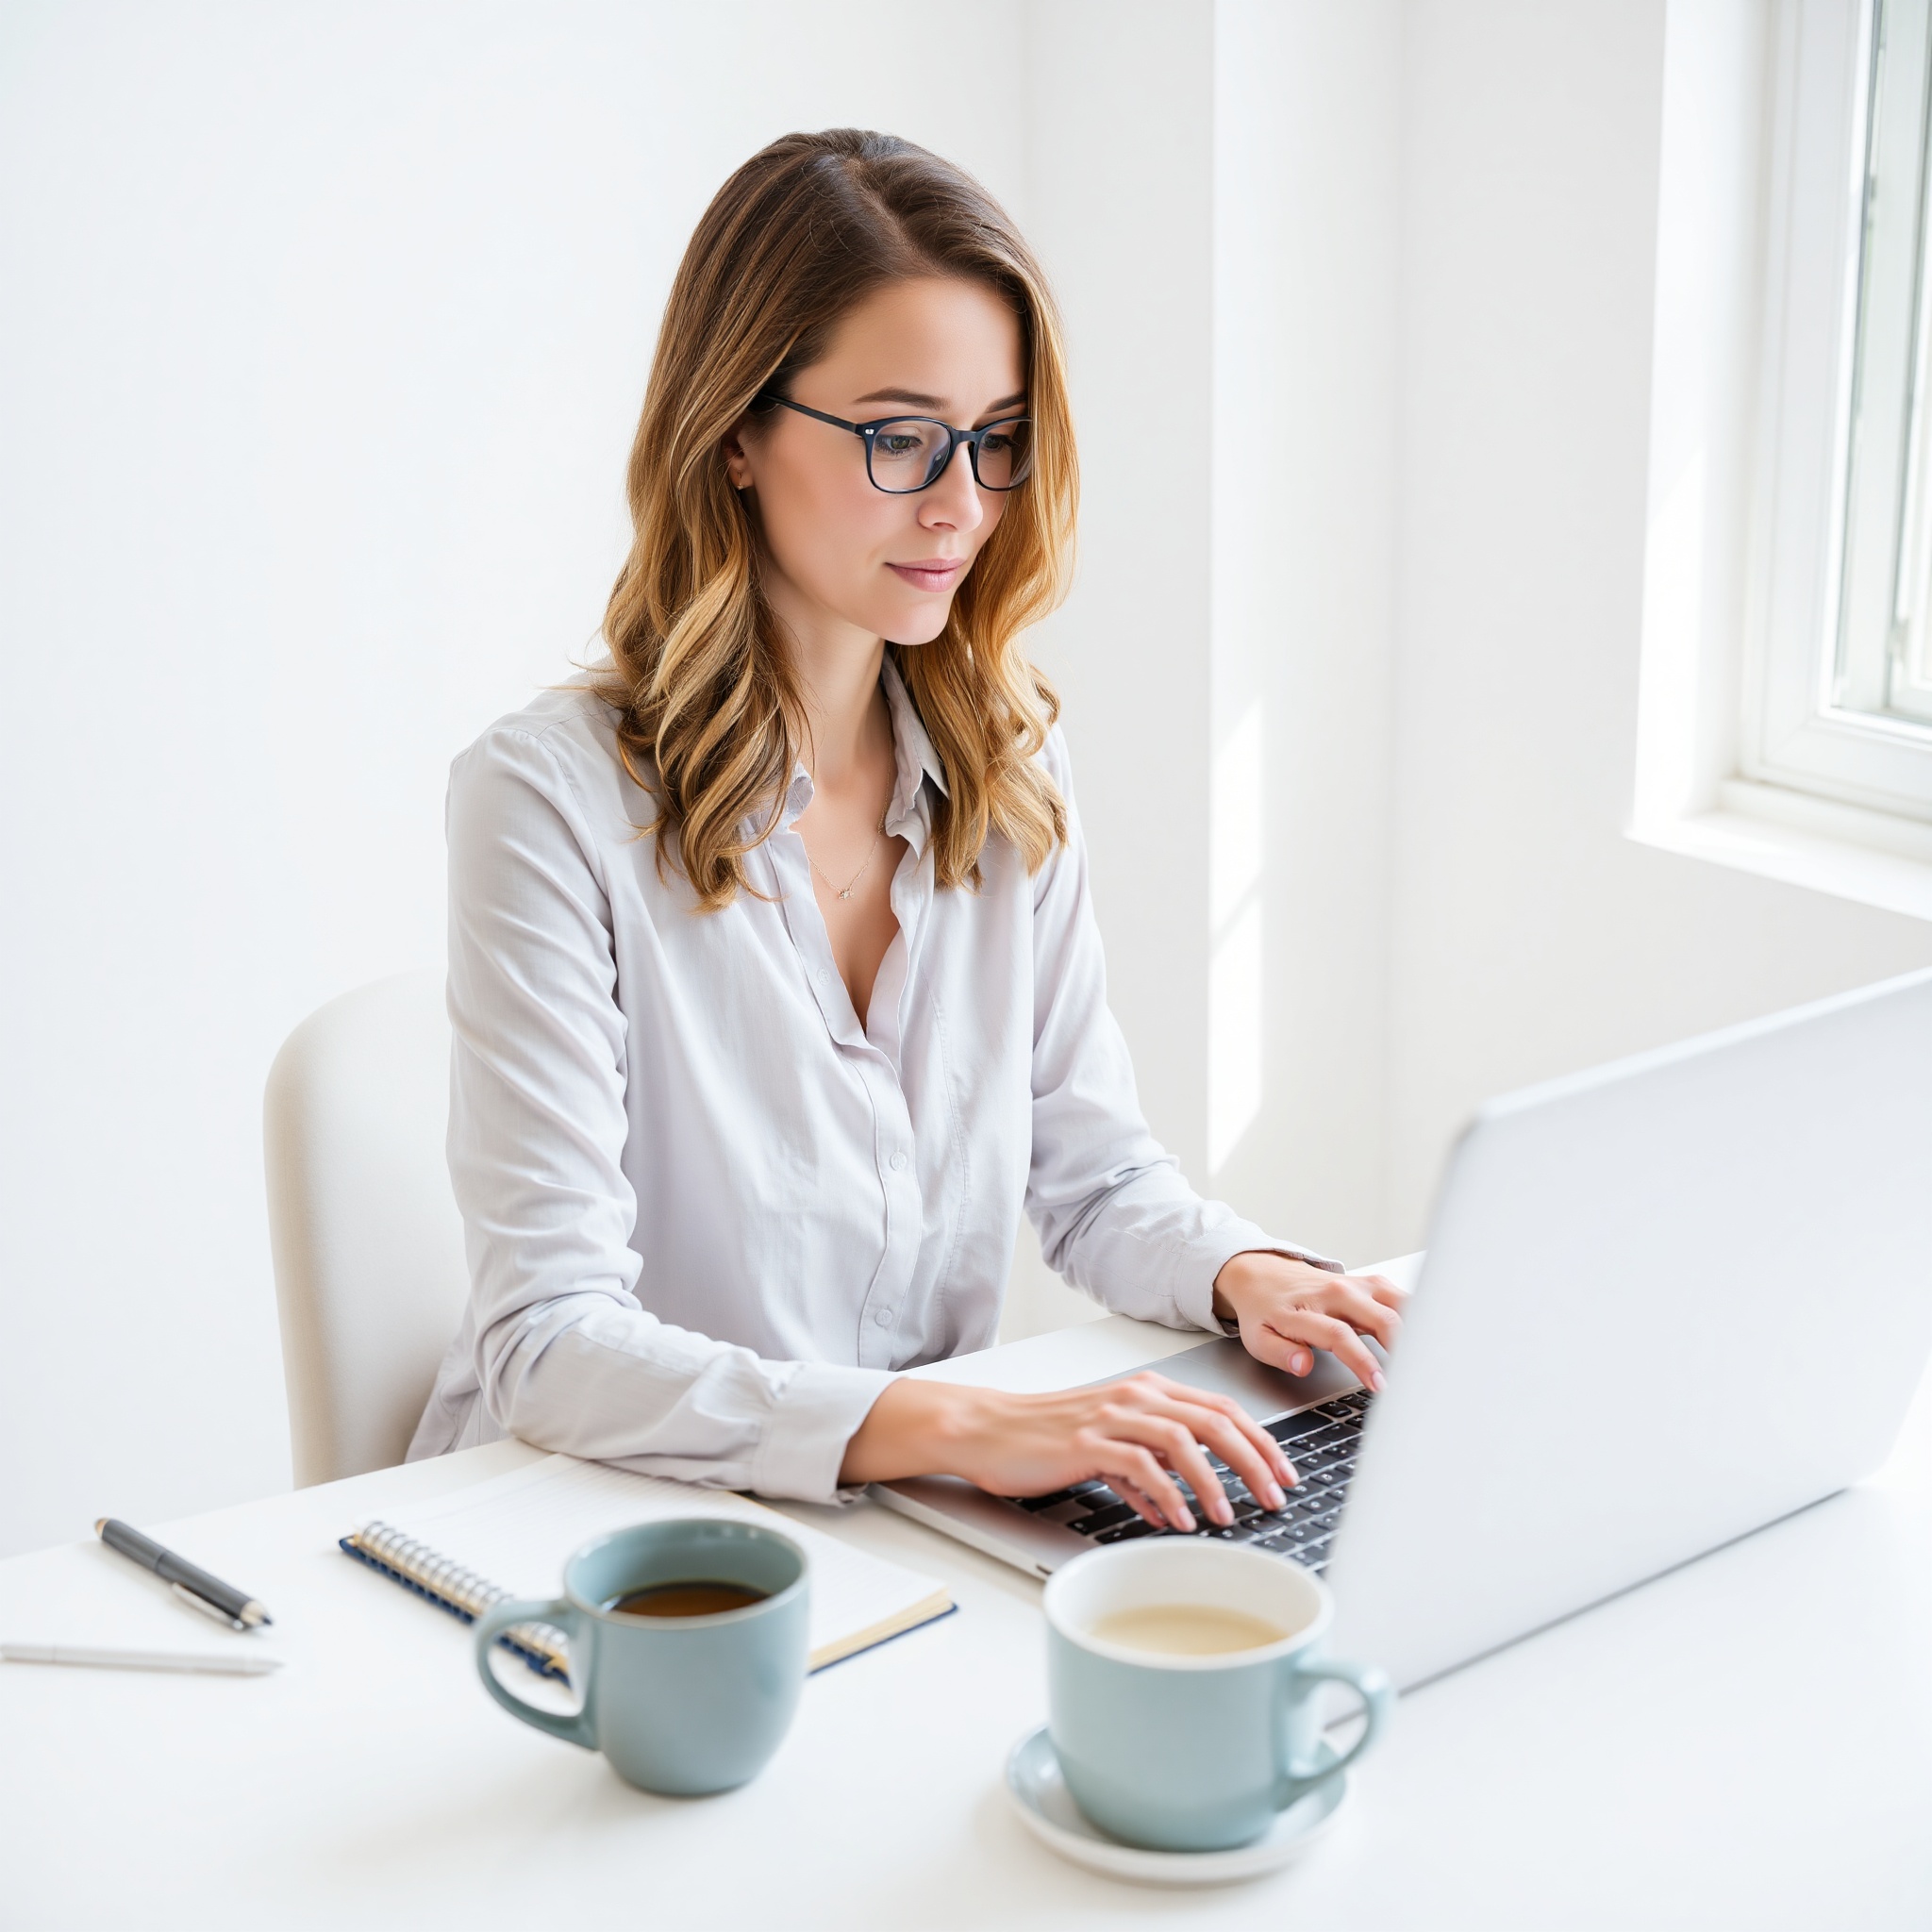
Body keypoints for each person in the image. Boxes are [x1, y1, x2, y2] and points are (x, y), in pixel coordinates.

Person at [409, 128, 1405, 1536]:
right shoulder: (547, 803)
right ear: (736, 432)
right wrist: (959, 1426)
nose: (961, 505)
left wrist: (1252, 1277)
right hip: (592, 1536)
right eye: (899, 438)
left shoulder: (1007, 766)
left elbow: (1097, 1178)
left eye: (996, 440)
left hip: (897, 1521)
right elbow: (550, 1341)